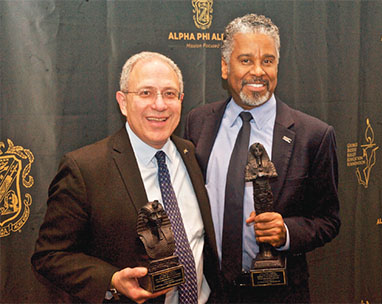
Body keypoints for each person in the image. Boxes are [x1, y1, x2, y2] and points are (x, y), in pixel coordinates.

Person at [32, 51, 219, 304]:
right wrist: (111, 280)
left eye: (169, 94)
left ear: (181, 100)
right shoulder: (85, 168)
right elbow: (50, 255)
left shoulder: (192, 154)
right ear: (122, 102)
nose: (160, 105)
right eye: (146, 93)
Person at [185, 14, 340, 303]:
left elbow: (329, 220)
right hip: (210, 291)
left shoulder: (313, 135)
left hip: (279, 294)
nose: (258, 71)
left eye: (267, 61)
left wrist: (287, 232)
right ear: (224, 66)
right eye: (245, 60)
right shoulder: (198, 123)